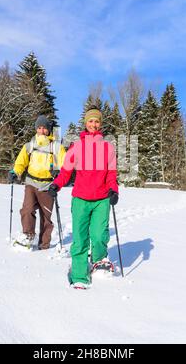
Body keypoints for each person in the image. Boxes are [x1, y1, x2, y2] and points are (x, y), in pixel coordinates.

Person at [48, 107, 119, 289]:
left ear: (100, 124)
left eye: (97, 121)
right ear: (85, 123)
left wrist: (114, 190)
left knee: (98, 235)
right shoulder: (76, 147)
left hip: (102, 199)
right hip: (80, 198)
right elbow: (66, 171)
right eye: (90, 121)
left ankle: (99, 261)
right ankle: (79, 273)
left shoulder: (108, 147)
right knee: (79, 238)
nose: (93, 124)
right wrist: (57, 184)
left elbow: (111, 173)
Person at [9, 115, 66, 250]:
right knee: (27, 209)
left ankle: (44, 244)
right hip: (31, 183)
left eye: (44, 128)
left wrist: (57, 173)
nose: (42, 131)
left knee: (46, 216)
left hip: (48, 186)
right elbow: (21, 162)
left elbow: (65, 165)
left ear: (49, 130)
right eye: (39, 128)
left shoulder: (56, 147)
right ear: (36, 129)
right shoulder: (30, 145)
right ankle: (28, 236)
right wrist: (15, 172)